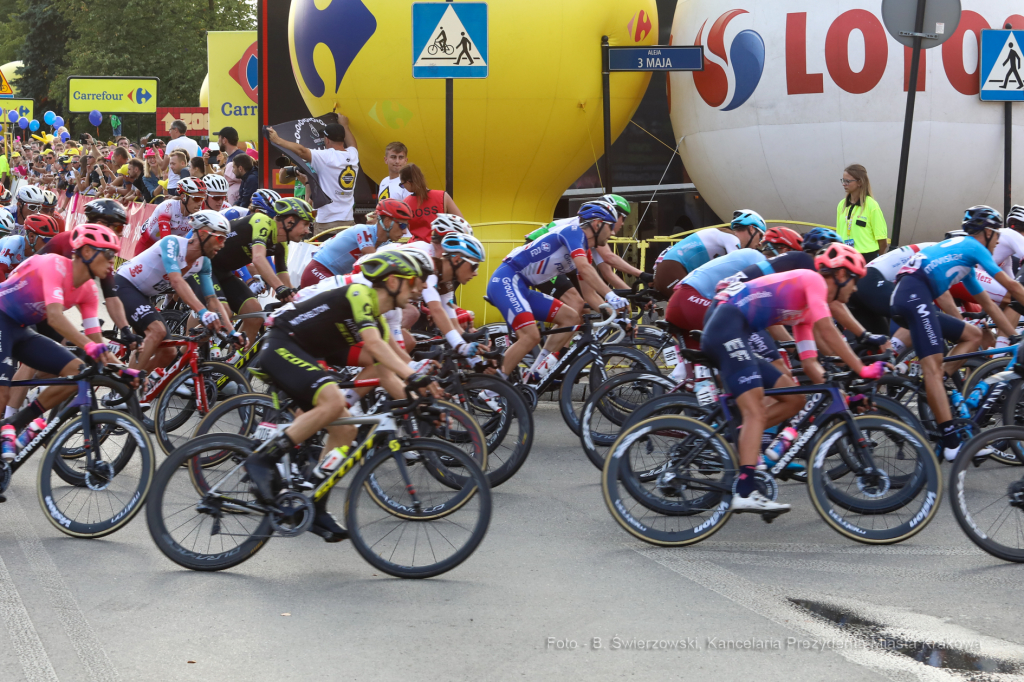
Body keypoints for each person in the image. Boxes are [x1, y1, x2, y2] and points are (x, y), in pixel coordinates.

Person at [243, 250, 440, 540]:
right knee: (334, 400)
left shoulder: (378, 315)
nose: (419, 289)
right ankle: (262, 459)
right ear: (393, 281)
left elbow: (391, 363)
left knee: (346, 431)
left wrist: (418, 400)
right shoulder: (360, 293)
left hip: (304, 352)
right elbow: (376, 346)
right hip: (281, 344)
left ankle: (315, 503)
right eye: (413, 282)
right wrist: (414, 378)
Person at [699, 244, 887, 513]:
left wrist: (840, 394)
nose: (855, 289)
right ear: (842, 275)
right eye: (855, 281)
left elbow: (810, 363)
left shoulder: (804, 311)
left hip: (735, 329)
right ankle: (745, 490)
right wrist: (862, 369)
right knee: (755, 412)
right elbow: (829, 330)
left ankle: (745, 441)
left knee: (794, 397)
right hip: (726, 327)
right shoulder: (812, 280)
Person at [890, 206, 1024, 461]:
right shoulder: (974, 247)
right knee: (932, 367)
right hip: (913, 297)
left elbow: (987, 305)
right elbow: (1012, 286)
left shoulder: (966, 260)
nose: (998, 242)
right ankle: (952, 441)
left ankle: (936, 383)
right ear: (986, 232)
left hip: (911, 296)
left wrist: (1013, 338)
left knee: (973, 335)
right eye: (995, 236)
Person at [487, 202, 628, 380]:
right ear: (598, 224)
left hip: (522, 286)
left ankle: (536, 372)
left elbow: (589, 294)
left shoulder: (585, 250)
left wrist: (614, 312)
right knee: (531, 336)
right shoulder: (573, 232)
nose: (613, 232)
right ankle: (492, 391)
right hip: (507, 279)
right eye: (610, 226)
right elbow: (584, 269)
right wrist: (611, 295)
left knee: (570, 317)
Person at [0, 224, 125, 425]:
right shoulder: (55, 265)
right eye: (109, 253)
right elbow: (55, 317)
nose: (113, 261)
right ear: (87, 251)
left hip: (22, 329)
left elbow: (95, 341)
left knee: (78, 371)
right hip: (2, 318)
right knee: (1, 397)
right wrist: (91, 347)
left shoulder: (89, 290)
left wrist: (124, 370)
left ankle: (17, 424)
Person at [113, 210, 231, 379]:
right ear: (204, 234)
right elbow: (176, 281)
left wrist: (232, 332)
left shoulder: (203, 263)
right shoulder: (172, 243)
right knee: (157, 331)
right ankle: (125, 387)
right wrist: (203, 312)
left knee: (168, 353)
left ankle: (137, 380)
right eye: (220, 238)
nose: (222, 244)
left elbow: (211, 298)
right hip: (124, 284)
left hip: (143, 295)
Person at [199, 197, 313, 349]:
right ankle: (186, 354)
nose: (308, 231)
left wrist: (295, 299)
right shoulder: (262, 221)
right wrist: (280, 288)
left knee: (255, 314)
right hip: (204, 266)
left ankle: (231, 366)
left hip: (224, 272)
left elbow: (282, 274)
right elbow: (258, 258)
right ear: (290, 221)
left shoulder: (282, 244)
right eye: (305, 224)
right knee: (224, 312)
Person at [266, 119, 359, 236]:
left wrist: (278, 140)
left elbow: (301, 150)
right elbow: (352, 144)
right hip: (348, 222)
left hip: (327, 223)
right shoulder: (353, 155)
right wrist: (345, 125)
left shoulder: (326, 156)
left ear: (327, 139)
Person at [301, 198, 409, 287]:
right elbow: (373, 259)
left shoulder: (385, 244)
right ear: (387, 222)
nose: (405, 231)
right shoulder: (362, 230)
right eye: (402, 225)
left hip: (335, 277)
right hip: (317, 270)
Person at [652, 217, 751, 297]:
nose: (759, 243)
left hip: (668, 268)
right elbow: (738, 266)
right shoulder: (732, 238)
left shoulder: (720, 234)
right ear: (752, 229)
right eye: (759, 235)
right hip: (673, 267)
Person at [135, 178, 208, 252]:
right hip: (147, 246)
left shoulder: (198, 215)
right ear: (183, 197)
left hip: (169, 249)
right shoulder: (167, 207)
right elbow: (166, 241)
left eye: (202, 199)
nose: (200, 203)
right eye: (196, 199)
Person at [399, 163, 462, 243]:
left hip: (417, 247)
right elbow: (460, 221)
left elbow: (403, 228)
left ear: (408, 183)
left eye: (402, 185)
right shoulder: (442, 196)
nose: (403, 187)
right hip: (439, 245)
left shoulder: (406, 203)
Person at [837, 164, 888, 260]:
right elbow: (839, 235)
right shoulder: (841, 205)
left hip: (867, 257)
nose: (844, 184)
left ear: (859, 182)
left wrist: (876, 259)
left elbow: (882, 241)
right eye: (843, 180)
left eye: (847, 181)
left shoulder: (872, 205)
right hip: (845, 256)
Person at [0, 214, 60, 282]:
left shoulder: (41, 254)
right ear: (32, 237)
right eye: (47, 240)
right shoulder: (15, 242)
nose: (50, 244)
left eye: (53, 240)